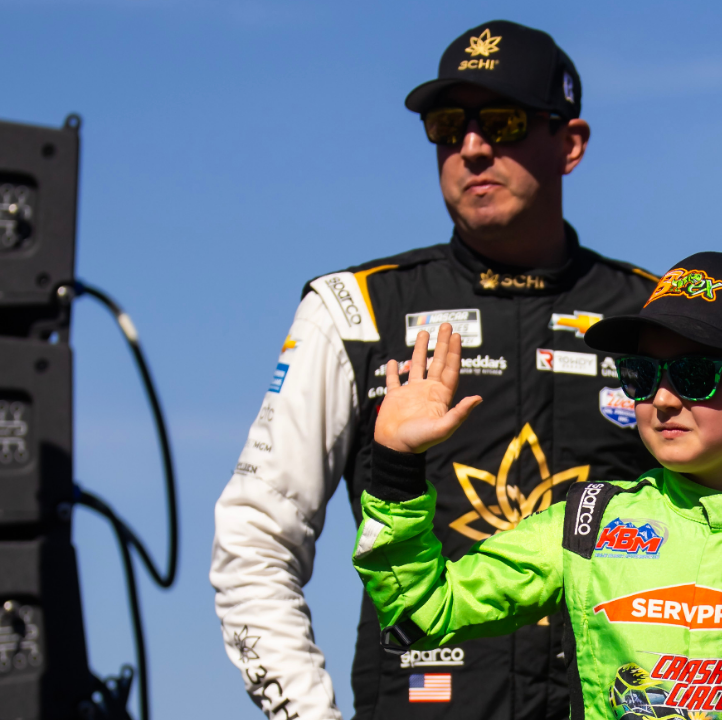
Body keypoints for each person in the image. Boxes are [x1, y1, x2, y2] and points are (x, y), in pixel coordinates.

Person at [211, 20, 659, 720]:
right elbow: (254, 537)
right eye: (449, 125)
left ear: (569, 144)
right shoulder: (354, 308)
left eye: (504, 122)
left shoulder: (654, 319)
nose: (473, 148)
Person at [353, 252, 722, 719]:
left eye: (694, 374)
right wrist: (398, 462)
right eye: (641, 373)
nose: (661, 398)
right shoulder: (586, 522)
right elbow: (424, 612)